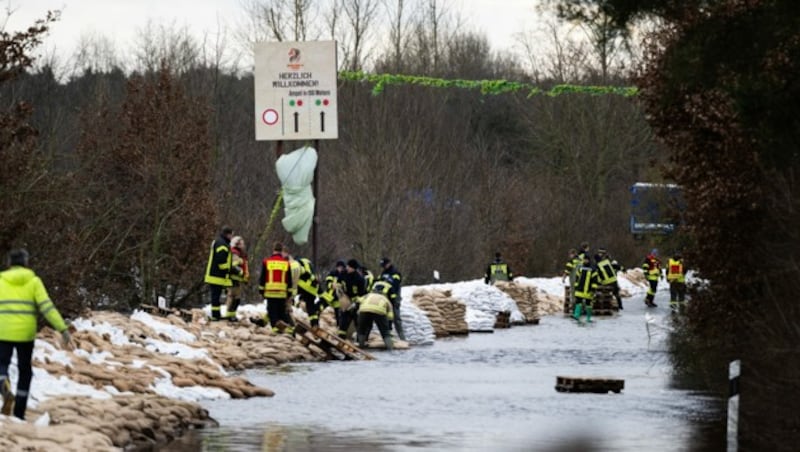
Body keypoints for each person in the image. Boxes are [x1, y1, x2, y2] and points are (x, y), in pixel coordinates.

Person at [0, 249, 72, 420]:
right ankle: (19, 412)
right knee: (25, 371)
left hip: (2, 331)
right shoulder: (34, 281)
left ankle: (3, 383)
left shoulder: (1, 281)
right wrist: (62, 328)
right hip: (25, 334)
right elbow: (47, 307)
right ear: (26, 262)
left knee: (1, 363)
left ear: (9, 263)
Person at [204, 226, 241, 321]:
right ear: (228, 234)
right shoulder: (222, 244)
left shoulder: (220, 242)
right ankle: (215, 316)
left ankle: (216, 315)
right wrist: (230, 269)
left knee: (216, 296)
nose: (232, 237)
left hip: (216, 275)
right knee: (215, 297)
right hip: (217, 275)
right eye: (231, 235)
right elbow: (221, 261)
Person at [258, 242, 294, 335]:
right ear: (281, 251)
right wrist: (289, 292)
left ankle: (276, 328)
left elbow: (263, 277)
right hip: (282, 292)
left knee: (272, 311)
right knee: (281, 311)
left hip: (270, 292)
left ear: (273, 250)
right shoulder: (286, 263)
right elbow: (289, 280)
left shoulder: (266, 262)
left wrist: (261, 290)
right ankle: (288, 328)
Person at [356, 279, 395, 350]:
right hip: (379, 311)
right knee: (385, 332)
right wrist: (389, 326)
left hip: (364, 310)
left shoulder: (368, 295)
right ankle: (390, 349)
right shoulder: (385, 299)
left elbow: (358, 301)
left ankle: (361, 346)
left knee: (362, 330)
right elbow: (390, 316)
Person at [336, 259, 366, 340]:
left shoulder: (359, 279)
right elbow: (338, 281)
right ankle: (341, 337)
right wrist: (338, 288)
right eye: (347, 266)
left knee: (357, 320)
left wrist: (356, 303)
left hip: (355, 301)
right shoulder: (343, 273)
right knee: (344, 318)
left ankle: (360, 339)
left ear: (353, 268)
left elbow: (362, 294)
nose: (347, 268)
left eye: (349, 267)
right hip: (346, 298)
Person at [379, 257, 405, 341]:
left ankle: (402, 337)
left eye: (385, 265)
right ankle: (388, 336)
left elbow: (395, 286)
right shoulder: (383, 273)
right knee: (386, 317)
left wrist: (394, 300)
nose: (384, 267)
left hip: (394, 298)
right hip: (385, 298)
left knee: (396, 317)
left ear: (389, 263)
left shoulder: (395, 273)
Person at [224, 236, 249, 321]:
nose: (243, 245)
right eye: (242, 243)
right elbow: (233, 265)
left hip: (238, 279)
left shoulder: (240, 253)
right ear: (237, 244)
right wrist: (241, 272)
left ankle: (232, 315)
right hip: (233, 279)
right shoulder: (235, 253)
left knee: (236, 299)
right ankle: (229, 315)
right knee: (233, 298)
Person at [295, 257, 322, 327]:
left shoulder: (298, 262)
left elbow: (303, 271)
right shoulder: (309, 262)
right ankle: (315, 324)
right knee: (310, 306)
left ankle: (290, 317)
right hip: (313, 288)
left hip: (304, 286)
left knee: (288, 296)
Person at [572, 254, 599, 323]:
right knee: (578, 302)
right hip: (580, 289)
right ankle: (576, 315)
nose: (585, 260)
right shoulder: (580, 268)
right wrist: (576, 286)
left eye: (586, 259)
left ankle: (588, 318)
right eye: (584, 259)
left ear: (589, 260)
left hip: (588, 290)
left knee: (588, 304)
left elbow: (595, 280)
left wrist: (593, 289)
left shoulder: (593, 269)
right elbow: (577, 278)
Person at [319, 260, 345, 325]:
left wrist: (339, 286)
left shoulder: (344, 275)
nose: (341, 269)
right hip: (329, 295)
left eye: (342, 268)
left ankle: (337, 325)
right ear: (337, 267)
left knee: (337, 313)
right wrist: (331, 285)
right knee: (321, 307)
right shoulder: (333, 273)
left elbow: (344, 285)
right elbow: (328, 281)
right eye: (340, 267)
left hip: (337, 297)